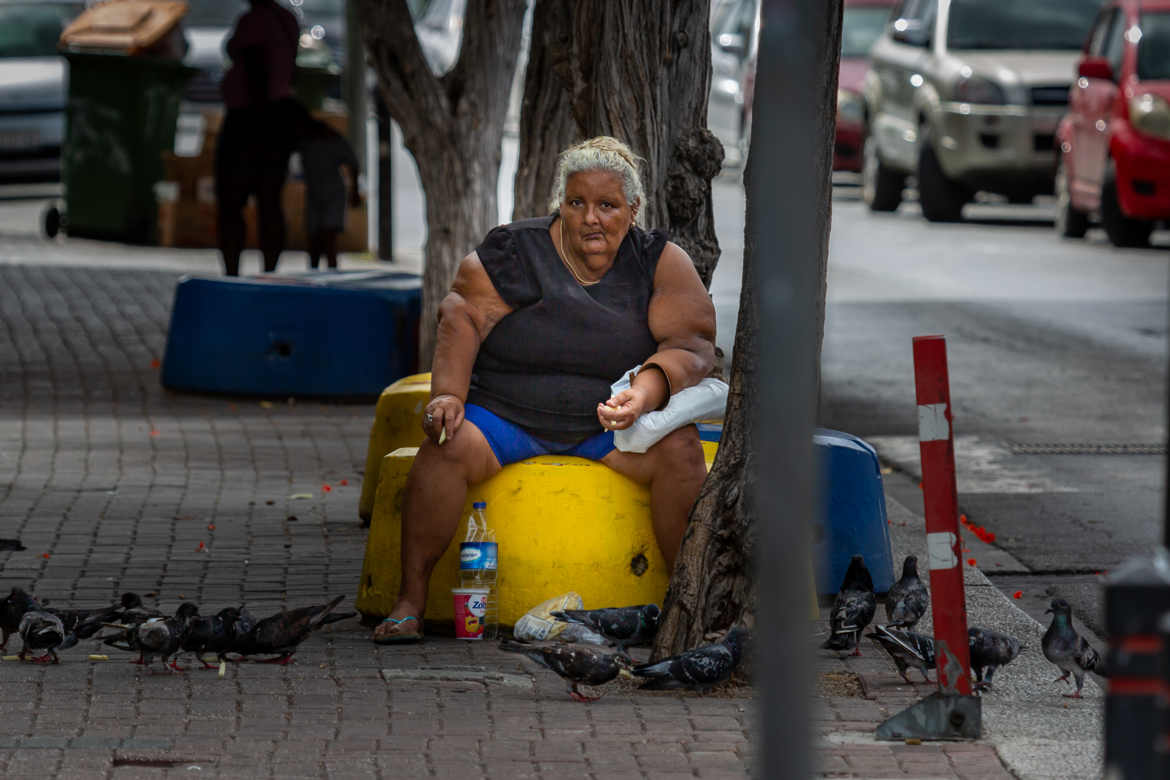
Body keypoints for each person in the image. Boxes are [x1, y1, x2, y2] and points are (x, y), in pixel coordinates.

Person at [373, 136, 717, 644]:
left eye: (607, 205)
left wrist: (645, 391)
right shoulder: (516, 251)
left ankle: (684, 608)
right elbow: (461, 314)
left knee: (683, 453)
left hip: (608, 425)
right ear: (561, 203)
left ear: (634, 209)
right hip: (507, 420)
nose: (591, 219)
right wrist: (447, 395)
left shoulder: (659, 262)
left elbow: (691, 344)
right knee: (444, 447)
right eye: (577, 203)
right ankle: (410, 601)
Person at [215, 0, 300, 277]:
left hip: (251, 122)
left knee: (233, 204)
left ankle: (236, 273)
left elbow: (258, 66)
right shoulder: (285, 20)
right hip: (273, 123)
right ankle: (267, 272)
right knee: (268, 203)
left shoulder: (256, 23)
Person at [297, 112, 361, 270]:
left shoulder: (333, 141)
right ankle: (314, 276)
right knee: (314, 241)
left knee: (329, 239)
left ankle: (331, 275)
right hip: (315, 195)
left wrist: (355, 190)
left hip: (333, 195)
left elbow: (353, 163)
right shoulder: (305, 143)